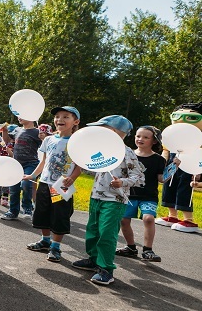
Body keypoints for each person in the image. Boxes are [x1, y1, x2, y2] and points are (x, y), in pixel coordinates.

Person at [72, 115, 145, 286]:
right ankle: (94, 259)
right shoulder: (103, 150)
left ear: (112, 132)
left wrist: (122, 182)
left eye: (101, 129)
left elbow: (139, 177)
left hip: (115, 200)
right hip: (96, 196)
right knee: (93, 229)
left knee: (106, 233)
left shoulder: (126, 152)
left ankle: (106, 269)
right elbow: (97, 171)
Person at [23, 106, 82, 263]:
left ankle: (55, 247)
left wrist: (72, 178)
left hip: (60, 185)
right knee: (42, 212)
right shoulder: (48, 139)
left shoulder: (77, 142)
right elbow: (43, 161)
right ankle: (45, 240)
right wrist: (33, 175)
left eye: (65, 117)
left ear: (75, 121)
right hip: (44, 183)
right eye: (57, 116)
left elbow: (79, 166)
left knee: (59, 215)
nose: (60, 119)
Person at [116, 125, 165, 262]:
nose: (140, 139)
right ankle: (131, 248)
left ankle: (148, 250)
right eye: (138, 136)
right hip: (128, 194)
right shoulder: (127, 154)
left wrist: (173, 169)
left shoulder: (159, 159)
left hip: (148, 196)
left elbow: (161, 179)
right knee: (124, 220)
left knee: (148, 218)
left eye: (145, 137)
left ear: (154, 141)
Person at [155, 102, 202, 233]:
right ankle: (172, 216)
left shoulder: (200, 138)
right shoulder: (171, 134)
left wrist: (199, 171)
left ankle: (189, 220)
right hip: (173, 164)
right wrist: (161, 163)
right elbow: (166, 150)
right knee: (168, 187)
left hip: (190, 167)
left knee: (185, 190)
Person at [1, 118, 42, 220]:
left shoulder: (37, 132)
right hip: (16, 164)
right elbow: (6, 140)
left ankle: (27, 208)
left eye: (22, 115)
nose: (19, 117)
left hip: (31, 164)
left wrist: (44, 137)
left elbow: (45, 144)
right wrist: (4, 131)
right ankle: (13, 211)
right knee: (13, 189)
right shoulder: (17, 130)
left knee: (26, 184)